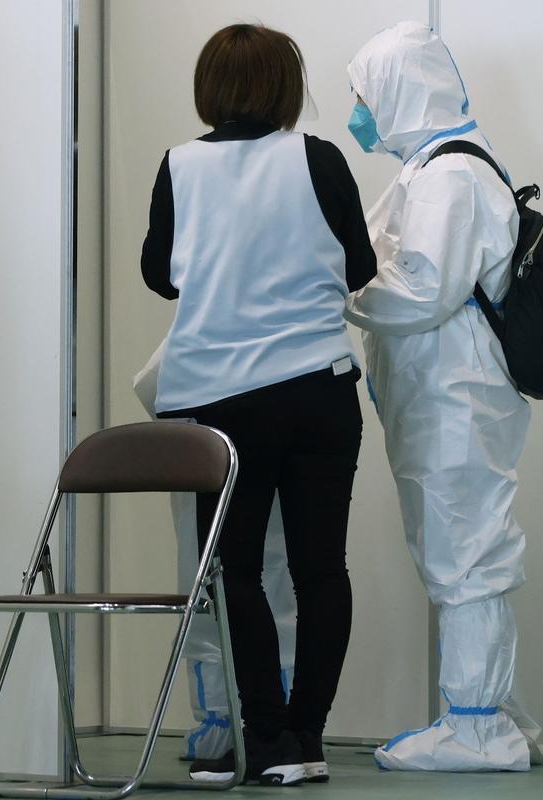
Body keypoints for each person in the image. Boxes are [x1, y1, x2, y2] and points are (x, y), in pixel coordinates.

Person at [140, 23, 376, 786]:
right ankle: (305, 739)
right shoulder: (319, 159)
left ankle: (262, 735)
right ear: (286, 87)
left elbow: (160, 276)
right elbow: (361, 266)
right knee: (319, 569)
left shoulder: (179, 166)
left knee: (236, 572)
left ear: (208, 88)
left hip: (219, 406)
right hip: (317, 391)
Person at [344, 21, 543, 772]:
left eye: (364, 95)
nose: (357, 112)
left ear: (399, 92)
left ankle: (476, 727)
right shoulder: (429, 170)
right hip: (443, 394)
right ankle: (493, 713)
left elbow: (422, 290)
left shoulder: (450, 178)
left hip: (455, 397)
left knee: (464, 550)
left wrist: (342, 292)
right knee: (460, 545)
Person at [132, 346, 298, 766]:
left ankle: (239, 722)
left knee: (244, 583)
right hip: (230, 457)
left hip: (236, 450)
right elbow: (155, 386)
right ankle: (235, 720)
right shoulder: (272, 326)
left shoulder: (210, 323)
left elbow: (154, 385)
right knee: (230, 584)